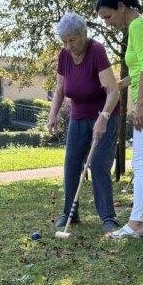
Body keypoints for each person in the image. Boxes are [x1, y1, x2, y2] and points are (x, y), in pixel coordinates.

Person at [95, 0, 143, 238]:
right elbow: (141, 71)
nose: (107, 23)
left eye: (108, 16)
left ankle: (136, 223)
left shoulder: (137, 27)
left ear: (121, 6)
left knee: (141, 164)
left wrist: (139, 105)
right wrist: (119, 85)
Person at [47, 12, 121, 234]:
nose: (68, 46)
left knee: (98, 164)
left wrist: (103, 118)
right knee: (71, 163)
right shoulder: (64, 55)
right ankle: (70, 213)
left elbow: (113, 91)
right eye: (64, 41)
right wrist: (52, 115)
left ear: (84, 34)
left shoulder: (96, 51)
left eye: (72, 40)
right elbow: (60, 89)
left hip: (105, 114)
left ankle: (108, 217)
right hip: (78, 117)